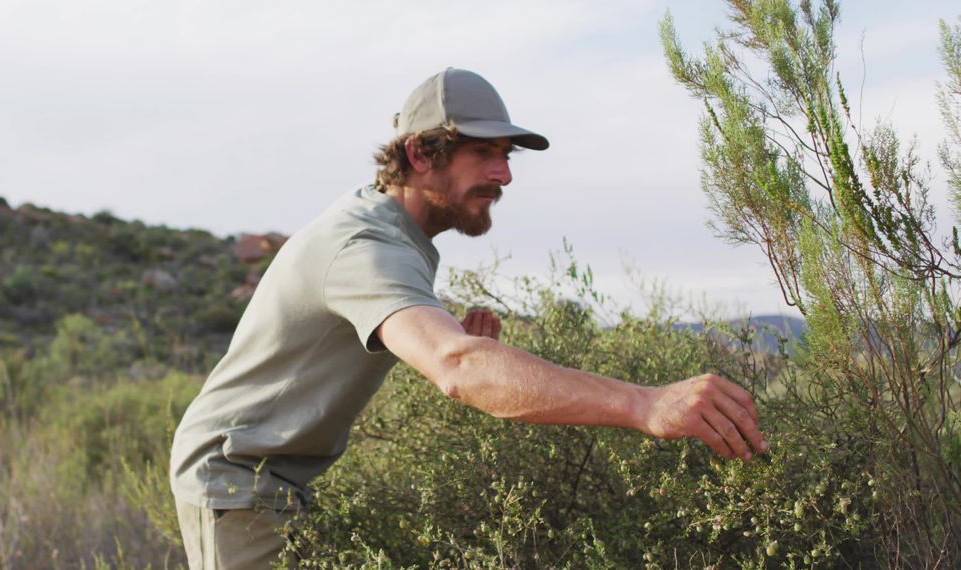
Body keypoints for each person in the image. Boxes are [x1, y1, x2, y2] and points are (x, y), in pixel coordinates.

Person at [170, 67, 769, 569]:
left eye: (504, 156)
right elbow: (457, 369)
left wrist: (465, 351)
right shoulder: (365, 245)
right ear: (418, 154)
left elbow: (438, 355)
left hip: (267, 480)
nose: (504, 174)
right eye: (483, 153)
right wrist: (646, 403)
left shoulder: (392, 234)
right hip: (236, 478)